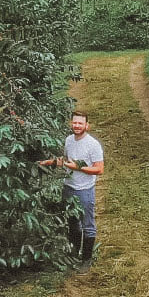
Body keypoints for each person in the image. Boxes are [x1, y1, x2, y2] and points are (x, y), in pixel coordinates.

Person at [39, 110, 104, 263]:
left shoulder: (93, 145)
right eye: (74, 123)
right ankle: (74, 254)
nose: (77, 125)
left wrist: (78, 168)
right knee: (72, 221)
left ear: (87, 125)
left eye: (80, 123)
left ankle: (86, 260)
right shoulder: (69, 140)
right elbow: (67, 161)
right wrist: (50, 162)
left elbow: (99, 169)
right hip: (68, 187)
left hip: (84, 190)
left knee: (88, 224)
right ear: (71, 124)